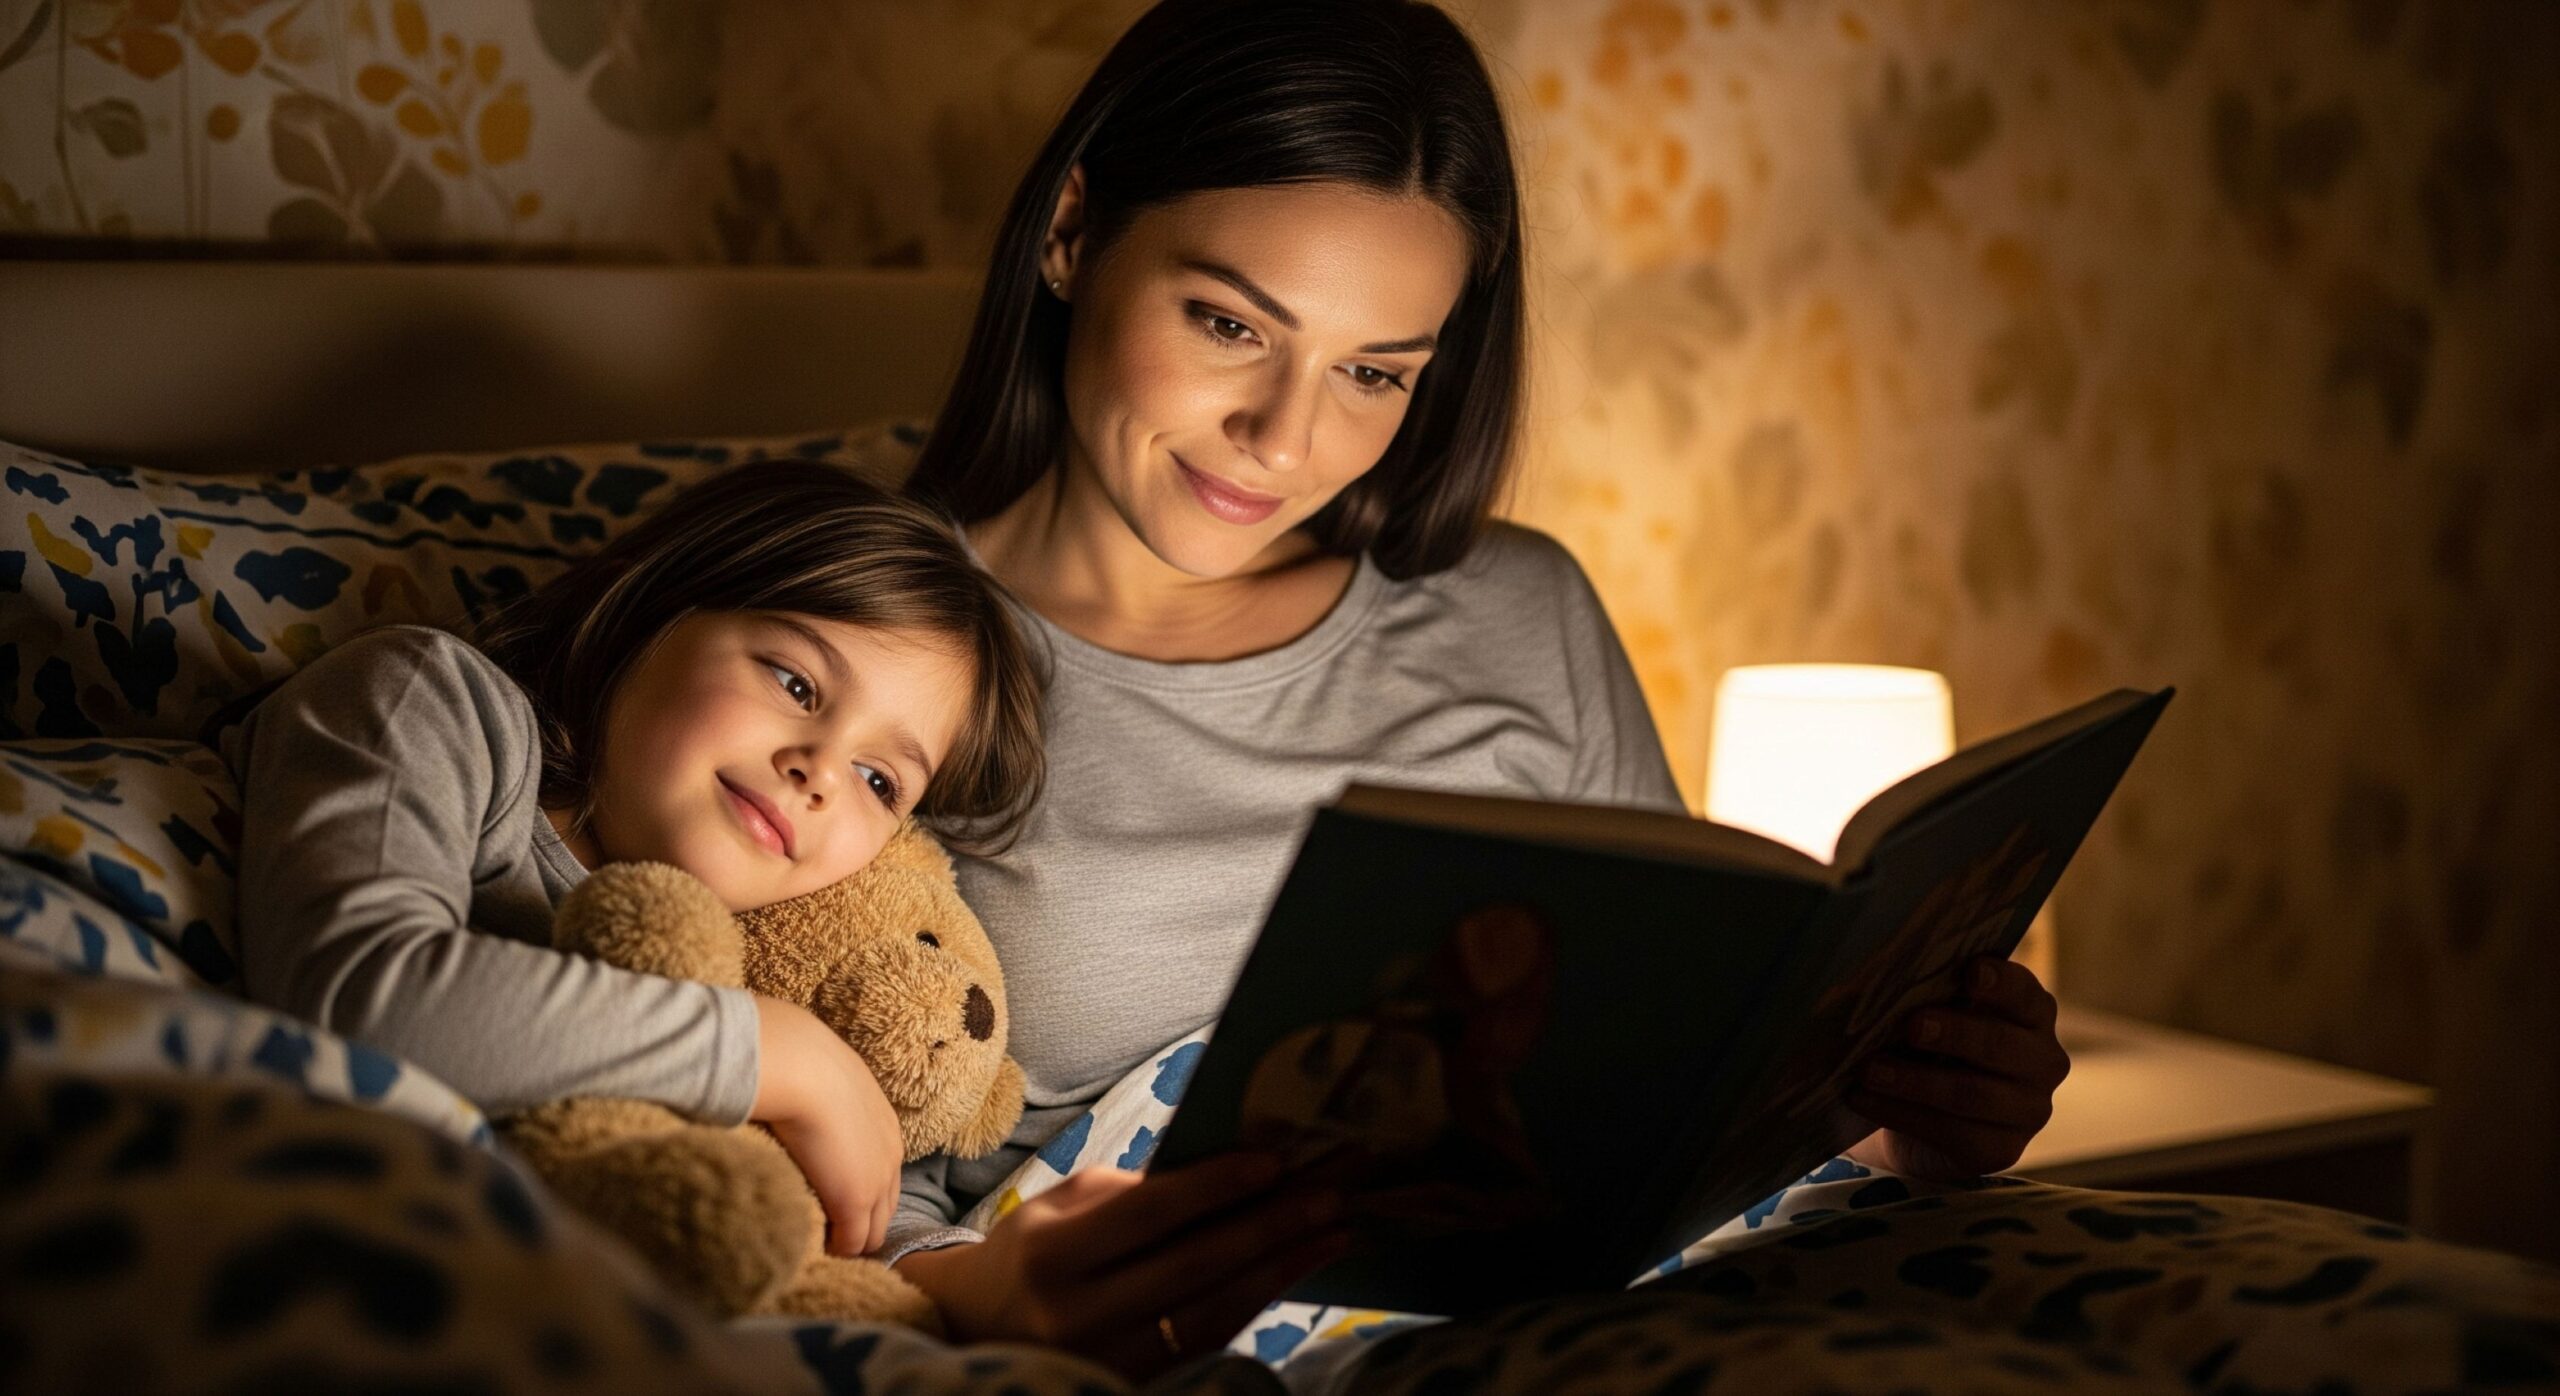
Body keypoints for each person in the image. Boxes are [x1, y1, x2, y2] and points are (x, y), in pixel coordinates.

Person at [876, 0, 2072, 1379]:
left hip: (1599, 1306)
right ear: (1073, 231)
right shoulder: (852, 645)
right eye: (1226, 322)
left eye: (1375, 372)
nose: (1285, 440)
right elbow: (788, 1160)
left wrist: (1903, 1117)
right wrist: (971, 1290)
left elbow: (1671, 1076)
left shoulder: (1523, 607)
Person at [221, 462, 1046, 1258]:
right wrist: (771, 1052)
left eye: (879, 780)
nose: (822, 772)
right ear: (656, 609)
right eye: (795, 683)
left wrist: (934, 1261)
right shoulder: (434, 702)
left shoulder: (785, 946)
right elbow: (358, 999)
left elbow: (863, 1184)